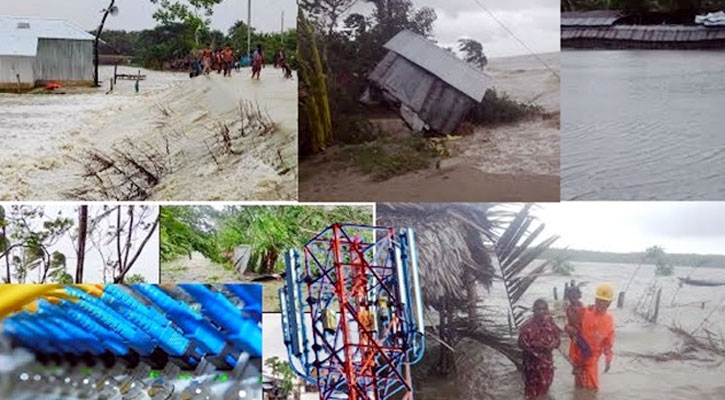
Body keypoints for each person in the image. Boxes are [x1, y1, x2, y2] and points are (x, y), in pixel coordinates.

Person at [570, 283, 615, 391]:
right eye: (598, 300)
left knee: (592, 387)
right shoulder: (585, 311)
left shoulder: (609, 320)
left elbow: (608, 343)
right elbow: (571, 323)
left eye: (604, 301)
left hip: (592, 357)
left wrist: (608, 360)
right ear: (595, 299)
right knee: (579, 385)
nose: (600, 303)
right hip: (578, 353)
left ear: (609, 303)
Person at [518, 298, 561, 399]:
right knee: (531, 394)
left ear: (547, 310)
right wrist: (539, 347)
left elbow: (558, 340)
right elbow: (521, 344)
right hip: (531, 367)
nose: (541, 312)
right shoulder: (526, 326)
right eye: (538, 309)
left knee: (544, 391)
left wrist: (553, 344)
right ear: (533, 310)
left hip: (547, 366)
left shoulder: (550, 323)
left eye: (544, 309)